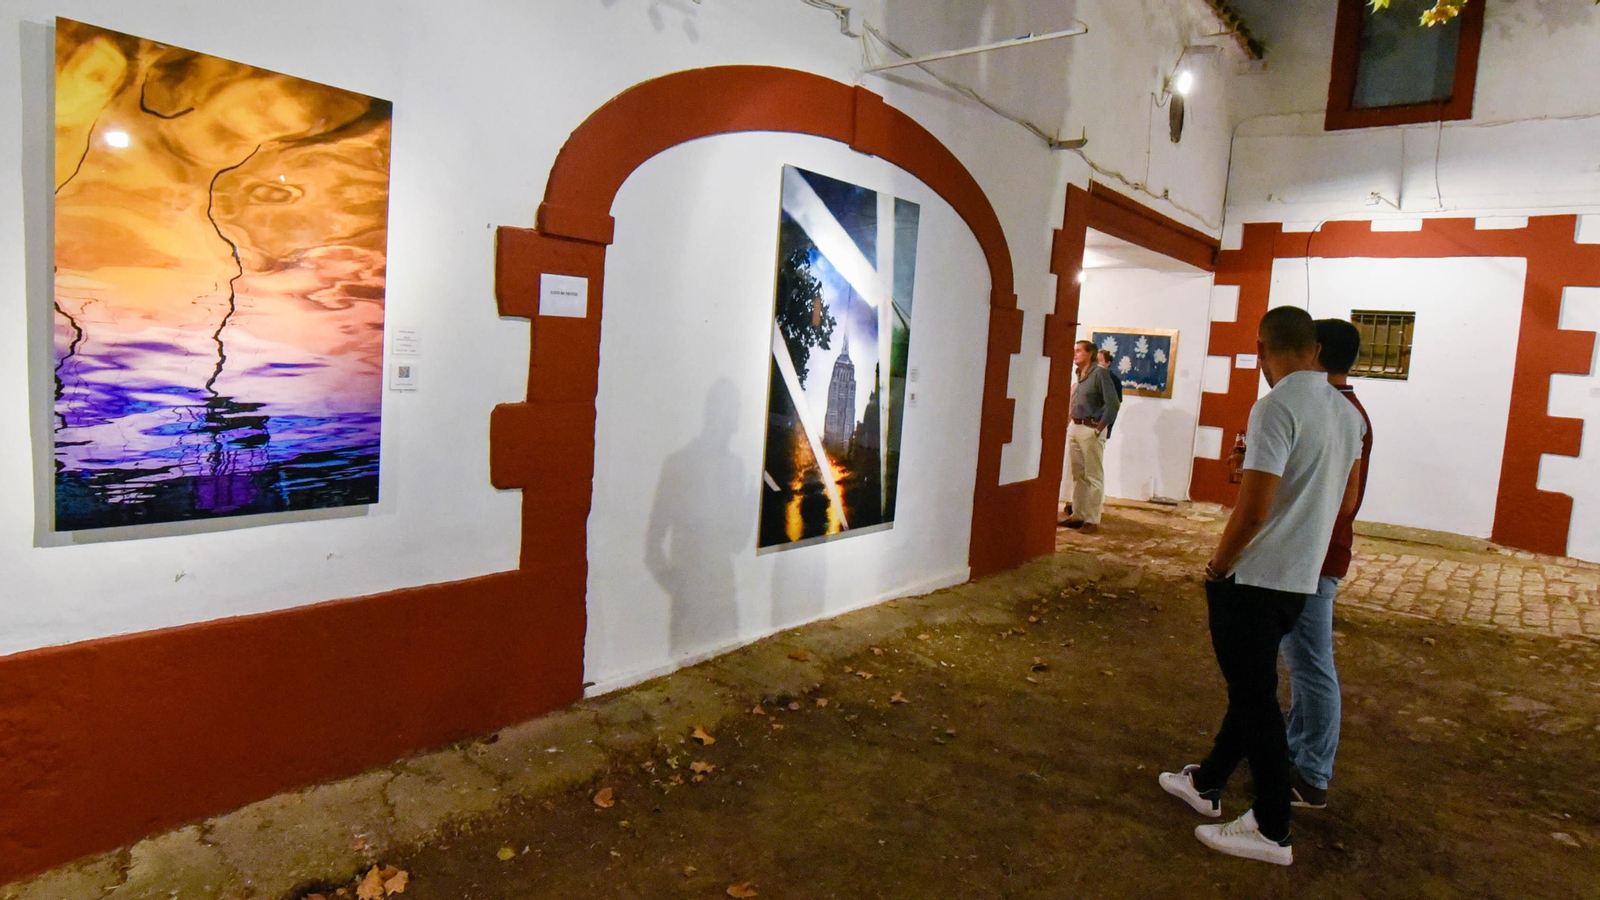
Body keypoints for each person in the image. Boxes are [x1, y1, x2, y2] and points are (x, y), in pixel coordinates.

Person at [1158, 307, 1365, 866]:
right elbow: (1346, 503)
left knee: (1255, 700)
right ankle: (1208, 782)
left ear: (1261, 349)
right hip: (1300, 579)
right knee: (1252, 688)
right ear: (1315, 350)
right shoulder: (1348, 416)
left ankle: (1272, 827)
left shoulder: (1275, 407)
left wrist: (1217, 567)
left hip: (1253, 577)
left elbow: (1252, 511)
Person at [1278, 319, 1373, 809]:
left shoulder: (1338, 411)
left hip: (1314, 554)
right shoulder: (1345, 409)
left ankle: (1312, 772)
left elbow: (1344, 500)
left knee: (1312, 665)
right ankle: (1296, 752)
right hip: (1317, 552)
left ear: (1314, 352)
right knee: (1302, 662)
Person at [1063, 340, 1120, 533]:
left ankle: (1092, 519)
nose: (1075, 354)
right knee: (1078, 474)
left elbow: (1113, 403)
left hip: (1090, 428)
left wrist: (1100, 427)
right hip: (1076, 426)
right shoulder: (1080, 374)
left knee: (1093, 475)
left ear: (1090, 354)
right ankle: (1078, 515)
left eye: (1079, 351)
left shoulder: (1100, 373)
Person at [1097, 349, 1123, 440]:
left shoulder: (1113, 380)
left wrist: (1101, 426)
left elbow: (1115, 404)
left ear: (1107, 363)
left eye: (1100, 361)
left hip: (1099, 424)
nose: (1097, 364)